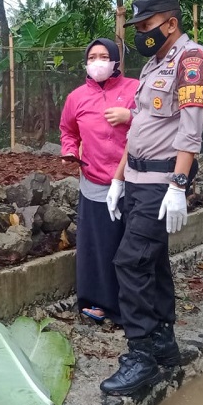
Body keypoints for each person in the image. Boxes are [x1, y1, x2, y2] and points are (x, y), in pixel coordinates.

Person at [100, 0, 203, 396]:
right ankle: (164, 342)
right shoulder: (154, 64)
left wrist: (179, 187)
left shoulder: (192, 61)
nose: (141, 34)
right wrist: (118, 179)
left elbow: (190, 132)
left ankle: (142, 354)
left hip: (162, 183)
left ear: (170, 23)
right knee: (153, 261)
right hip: (135, 178)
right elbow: (138, 132)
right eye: (138, 28)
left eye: (146, 26)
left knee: (130, 263)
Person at [59, 38, 139, 324]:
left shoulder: (134, 88)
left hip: (134, 180)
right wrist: (69, 150)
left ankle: (133, 305)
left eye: (104, 56)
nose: (98, 62)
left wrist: (130, 115)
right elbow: (68, 130)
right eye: (92, 57)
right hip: (94, 180)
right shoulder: (76, 97)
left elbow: (156, 120)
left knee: (132, 244)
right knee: (98, 245)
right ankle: (98, 302)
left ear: (116, 60)